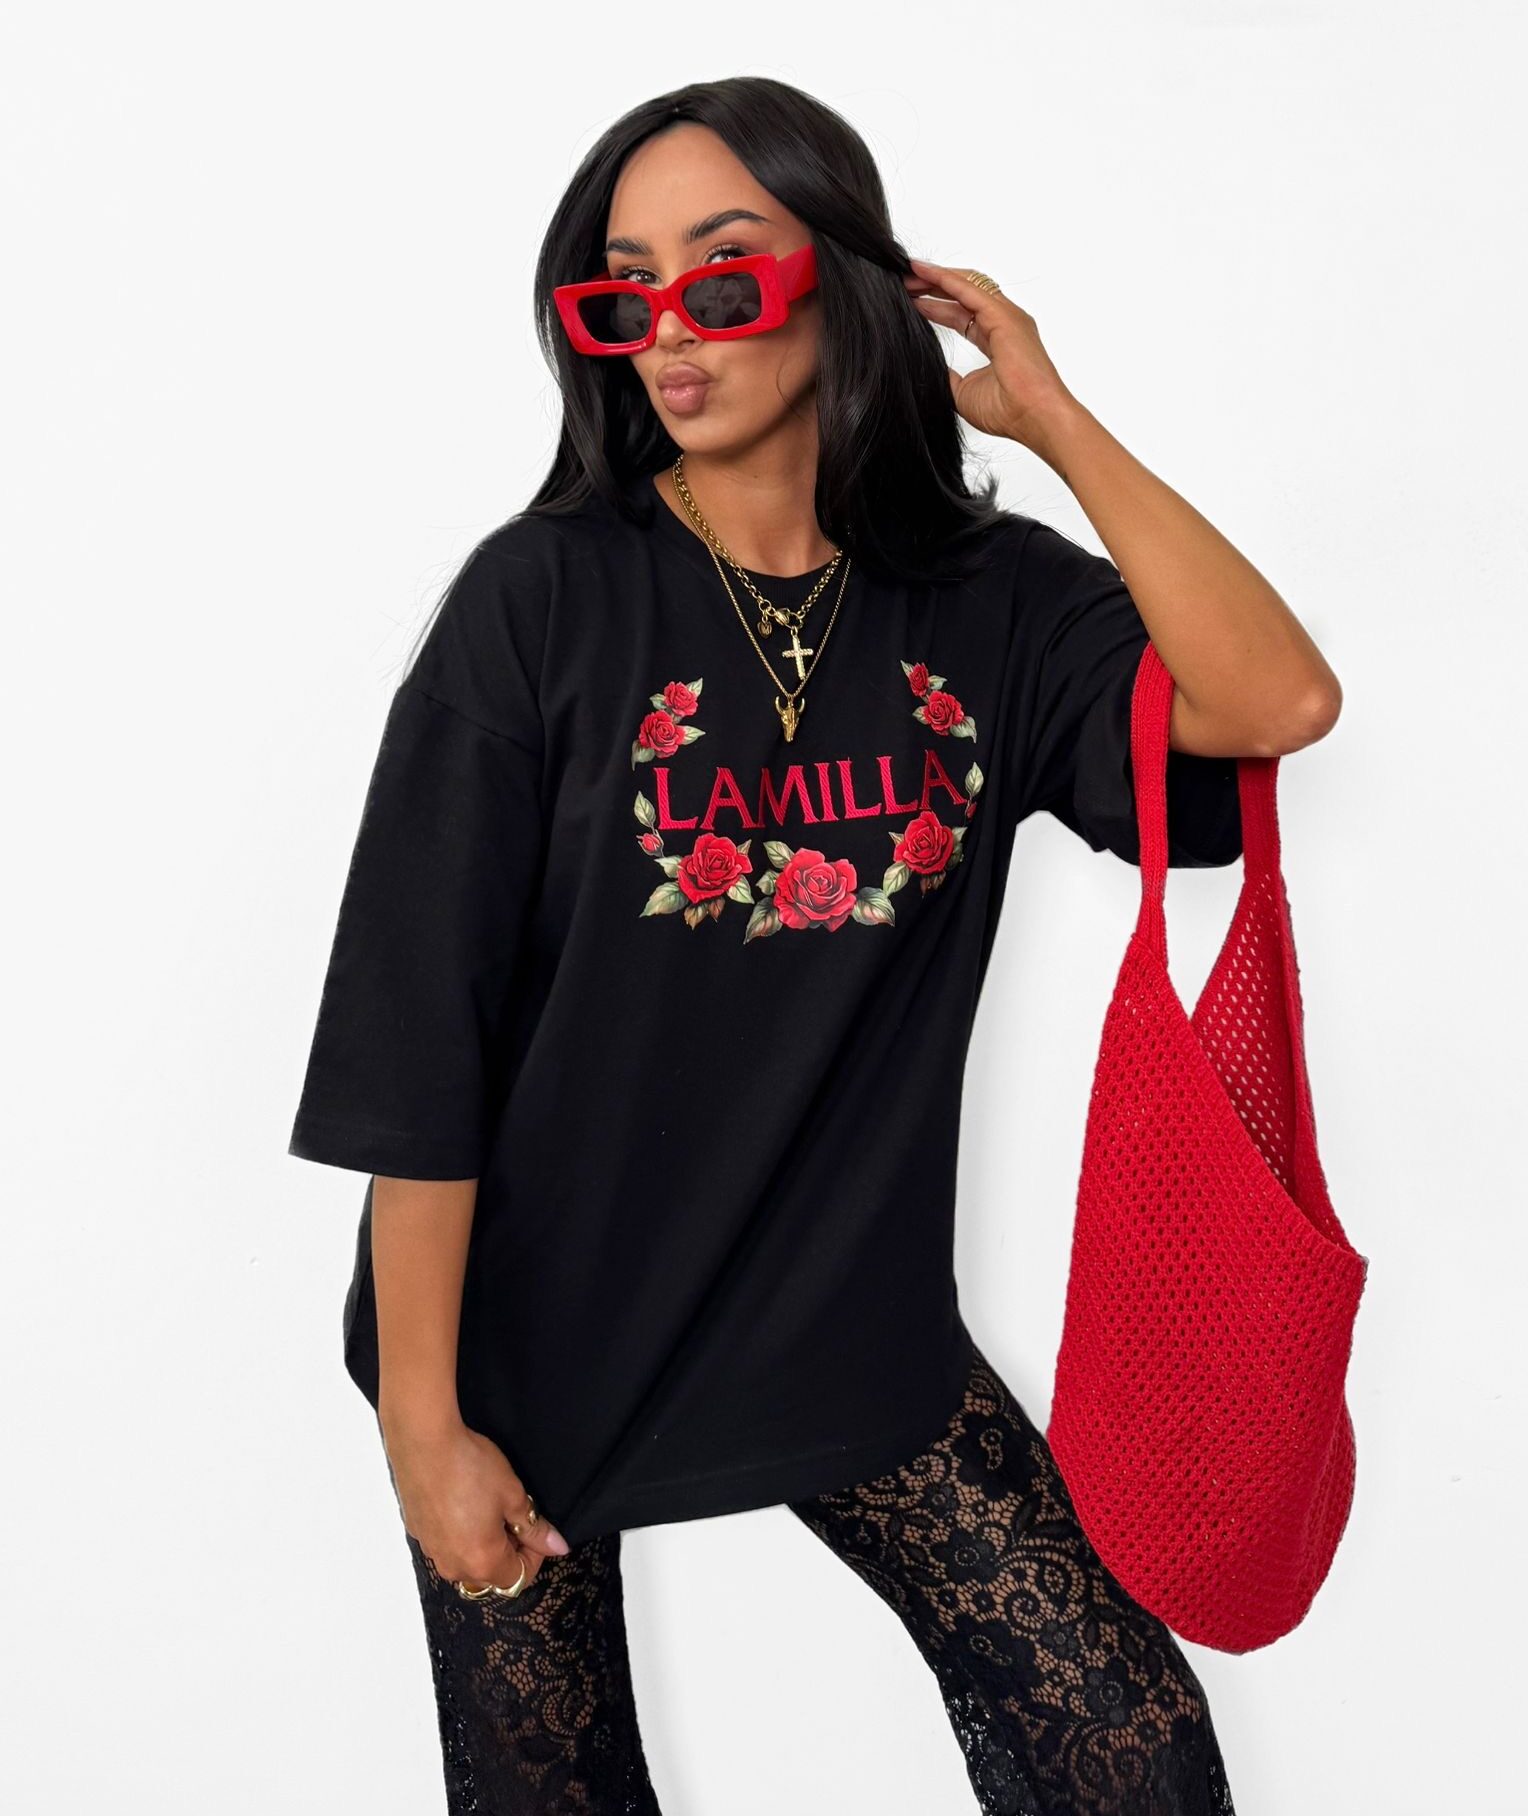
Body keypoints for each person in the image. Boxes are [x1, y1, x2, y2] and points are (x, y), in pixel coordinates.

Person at [288, 75, 1341, 1816]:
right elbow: (418, 1035)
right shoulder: (538, 600)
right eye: (623, 293)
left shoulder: (993, 602)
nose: (667, 331)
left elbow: (1272, 701)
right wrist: (421, 1419)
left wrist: (1051, 419)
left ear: (843, 280)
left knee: (1126, 1757)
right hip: (536, 1343)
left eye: (721, 276)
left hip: (846, 1317)